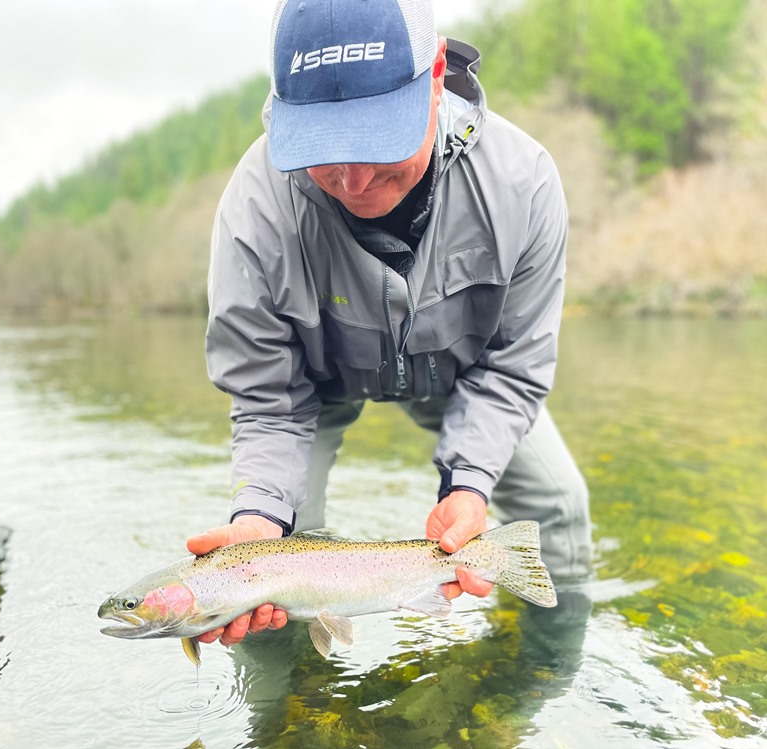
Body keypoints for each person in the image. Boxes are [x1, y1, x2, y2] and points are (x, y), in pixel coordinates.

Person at [186, 0, 592, 648]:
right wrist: (260, 517)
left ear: (434, 78)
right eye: (322, 150)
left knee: (562, 507)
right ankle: (282, 723)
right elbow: (267, 401)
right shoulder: (255, 211)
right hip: (312, 391)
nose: (352, 180)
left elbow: (514, 365)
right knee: (267, 571)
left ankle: (546, 669)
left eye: (376, 140)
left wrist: (469, 485)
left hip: (462, 375)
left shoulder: (523, 185)